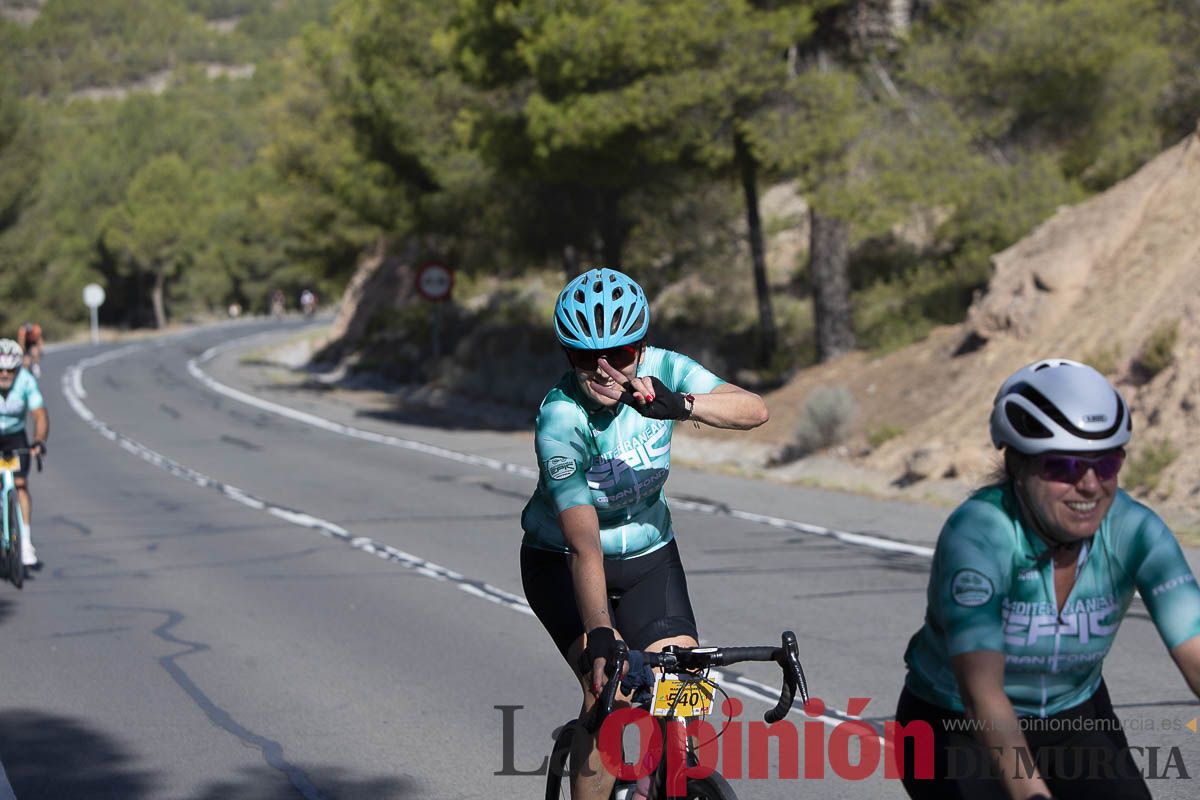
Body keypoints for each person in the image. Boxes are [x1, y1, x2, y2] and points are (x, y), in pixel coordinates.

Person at [894, 358, 1200, 800]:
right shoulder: (980, 534)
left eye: (1107, 464)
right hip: (954, 724)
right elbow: (982, 693)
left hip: (1073, 716)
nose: (1091, 486)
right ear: (1018, 465)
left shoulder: (1137, 530)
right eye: (1065, 467)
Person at [520, 267, 769, 799]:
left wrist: (680, 405)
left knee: (684, 689)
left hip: (649, 557)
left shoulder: (665, 371)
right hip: (563, 561)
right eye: (587, 357)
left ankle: (669, 782)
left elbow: (755, 410)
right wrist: (602, 635)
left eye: (622, 354)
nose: (605, 370)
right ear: (568, 356)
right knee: (608, 698)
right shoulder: (561, 419)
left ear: (643, 347)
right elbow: (583, 543)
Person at [0, 339, 48, 568]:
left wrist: (38, 441)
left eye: (11, 369)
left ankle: (26, 541)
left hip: (16, 436)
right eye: (1, 370)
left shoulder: (26, 381)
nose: (5, 374)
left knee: (20, 485)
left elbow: (39, 415)